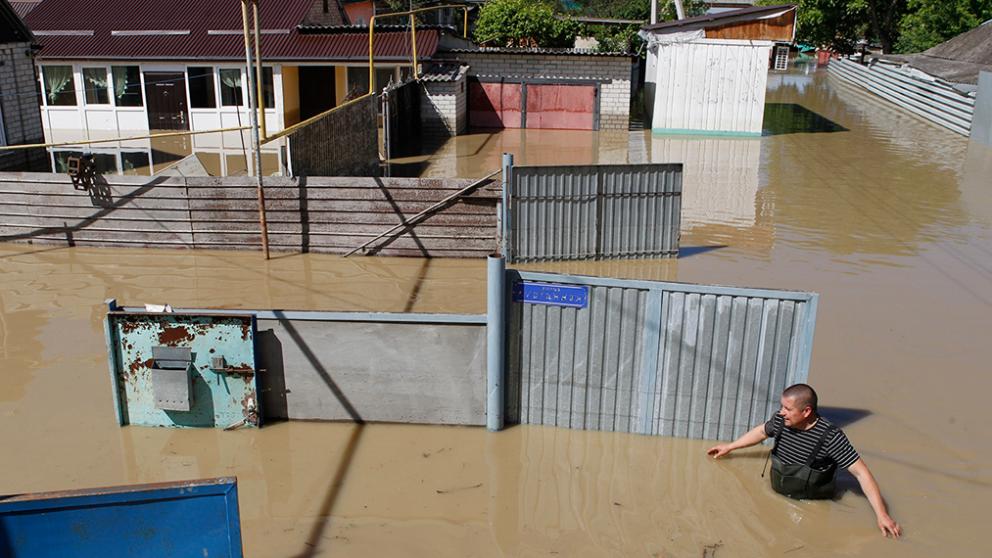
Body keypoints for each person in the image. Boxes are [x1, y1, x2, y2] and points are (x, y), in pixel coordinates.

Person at [706, 384, 902, 538]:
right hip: (776, 502)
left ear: (807, 411)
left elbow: (862, 473)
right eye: (781, 406)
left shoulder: (830, 437)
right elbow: (761, 432)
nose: (781, 412)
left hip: (811, 507)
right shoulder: (782, 420)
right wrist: (730, 447)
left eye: (788, 408)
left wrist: (882, 514)